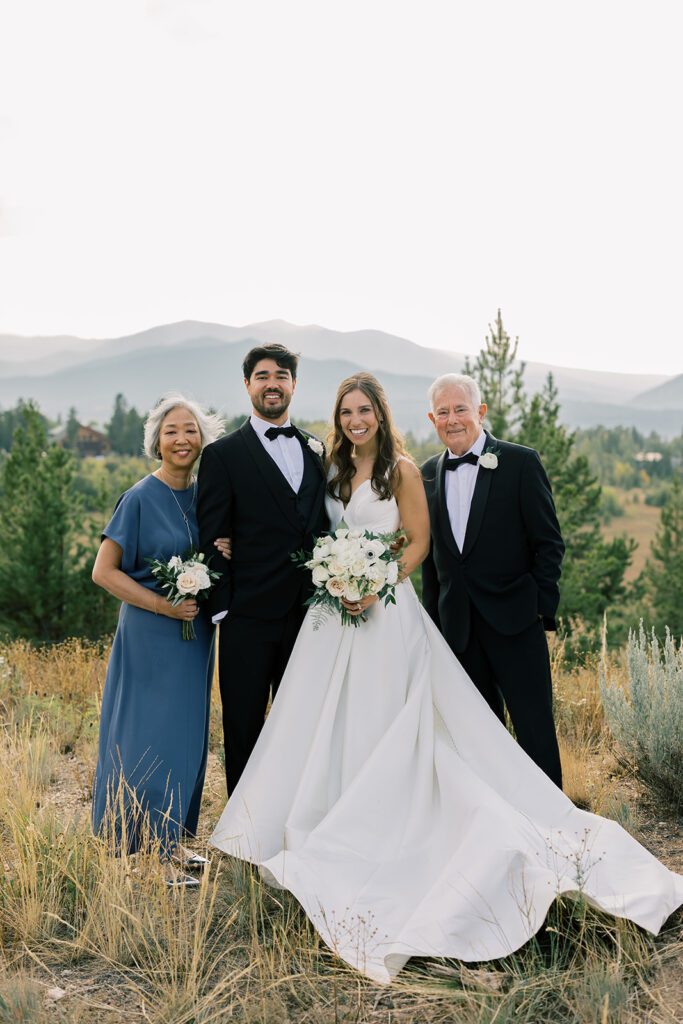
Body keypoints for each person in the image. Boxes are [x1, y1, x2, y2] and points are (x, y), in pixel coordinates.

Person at [210, 371, 683, 984]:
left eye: (365, 410)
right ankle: (332, 820)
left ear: (381, 414)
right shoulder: (329, 469)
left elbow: (417, 544)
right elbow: (303, 527)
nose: (356, 420)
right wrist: (241, 545)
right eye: (346, 412)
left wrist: (375, 583)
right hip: (333, 618)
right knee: (330, 721)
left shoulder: (405, 471)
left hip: (388, 611)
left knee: (409, 719)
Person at [92, 394, 226, 885]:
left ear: (202, 438)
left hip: (195, 637)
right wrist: (162, 605)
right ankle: (149, 850)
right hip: (150, 635)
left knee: (186, 736)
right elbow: (103, 572)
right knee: (148, 735)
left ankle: (173, 840)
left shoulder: (207, 496)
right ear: (156, 441)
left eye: (190, 430)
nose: (181, 439)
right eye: (171, 431)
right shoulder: (139, 497)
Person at [197, 343, 328, 796]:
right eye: (263, 376)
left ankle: (293, 816)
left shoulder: (316, 448)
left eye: (281, 376)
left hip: (310, 616)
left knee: (302, 725)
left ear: (294, 384)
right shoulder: (222, 455)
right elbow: (212, 535)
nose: (273, 384)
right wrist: (223, 608)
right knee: (244, 726)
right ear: (247, 384)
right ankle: (243, 823)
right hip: (247, 617)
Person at [421, 373, 564, 787]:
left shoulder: (521, 462)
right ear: (432, 419)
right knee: (478, 739)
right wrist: (433, 626)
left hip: (516, 622)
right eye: (443, 412)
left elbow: (549, 544)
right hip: (458, 632)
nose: (452, 419)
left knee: (535, 732)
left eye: (460, 409)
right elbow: (432, 561)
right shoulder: (427, 474)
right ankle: (498, 819)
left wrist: (539, 610)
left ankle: (551, 820)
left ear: (480, 412)